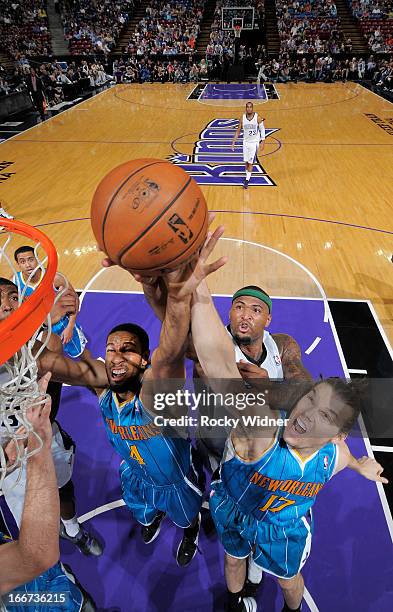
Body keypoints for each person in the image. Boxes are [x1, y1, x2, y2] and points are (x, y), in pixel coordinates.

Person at [175, 234, 388, 612]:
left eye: (255, 310)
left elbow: (320, 417)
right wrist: (197, 287)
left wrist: (358, 465)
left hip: (279, 519)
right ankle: (235, 598)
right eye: (238, 307)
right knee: (231, 546)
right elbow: (214, 356)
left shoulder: (327, 453)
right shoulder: (257, 423)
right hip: (227, 462)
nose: (244, 315)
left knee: (285, 578)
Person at [33, 239, 227, 566]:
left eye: (128, 349)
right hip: (135, 474)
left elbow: (170, 351)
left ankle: (191, 529)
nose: (117, 356)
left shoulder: (159, 395)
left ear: (144, 360)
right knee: (142, 511)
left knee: (185, 516)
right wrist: (45, 319)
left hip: (174, 482)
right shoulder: (103, 386)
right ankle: (151, 518)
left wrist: (178, 300)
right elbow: (49, 360)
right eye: (111, 348)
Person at [0, 277, 102, 558]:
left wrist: (55, 320)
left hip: (44, 437)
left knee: (65, 489)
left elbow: (56, 348)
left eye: (12, 297)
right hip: (6, 457)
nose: (7, 306)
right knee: (31, 530)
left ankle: (72, 529)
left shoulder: (38, 346)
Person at [0, 374, 96, 611]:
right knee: (39, 559)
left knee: (60, 491)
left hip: (17, 459)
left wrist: (9, 456)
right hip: (18, 590)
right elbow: (36, 556)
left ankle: (72, 531)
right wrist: (37, 434)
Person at [13, 246, 88, 359]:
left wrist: (70, 327)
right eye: (22, 261)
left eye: (31, 259)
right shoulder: (15, 281)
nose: (28, 265)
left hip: (62, 325)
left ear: (37, 259)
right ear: (18, 264)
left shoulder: (54, 277)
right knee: (53, 360)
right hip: (39, 330)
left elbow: (74, 300)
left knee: (81, 353)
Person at [231, 102, 266, 189]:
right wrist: (233, 142)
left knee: (250, 162)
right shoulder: (242, 118)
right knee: (246, 162)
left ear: (252, 108)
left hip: (254, 143)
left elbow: (262, 129)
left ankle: (246, 180)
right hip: (245, 142)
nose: (249, 108)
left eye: (250, 107)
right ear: (246, 108)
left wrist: (263, 141)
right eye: (247, 107)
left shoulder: (257, 118)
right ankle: (247, 176)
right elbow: (238, 131)